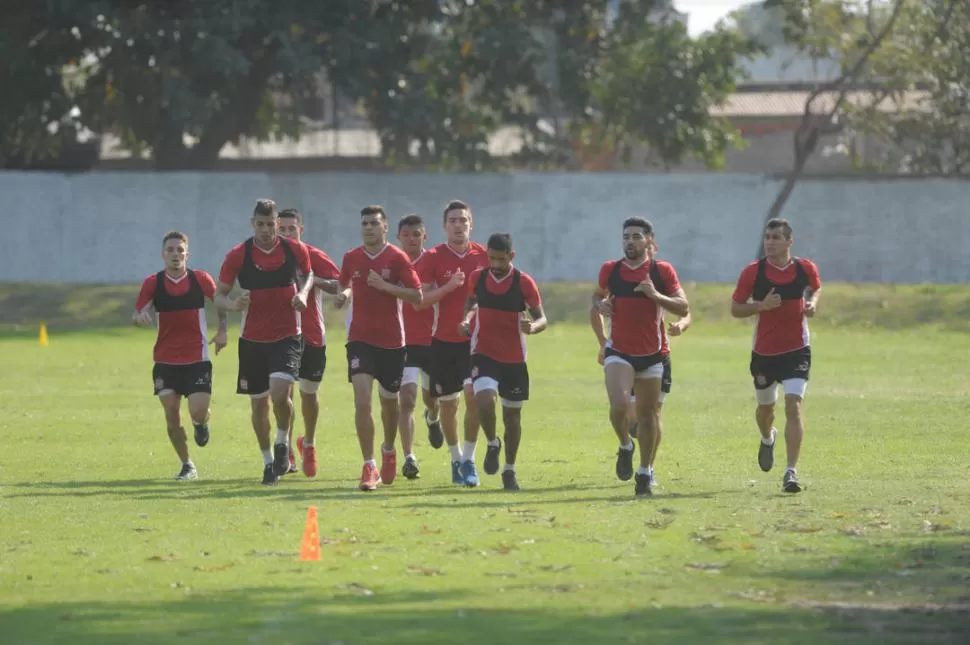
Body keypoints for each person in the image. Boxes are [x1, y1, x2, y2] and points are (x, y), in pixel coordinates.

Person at [215, 199, 314, 486]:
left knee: (280, 394)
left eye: (271, 225)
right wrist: (233, 305)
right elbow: (219, 294)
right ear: (252, 224)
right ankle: (268, 462)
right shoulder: (238, 254)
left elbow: (308, 275)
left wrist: (304, 294)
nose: (267, 230)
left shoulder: (293, 249)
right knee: (258, 406)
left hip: (286, 335)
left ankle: (282, 440)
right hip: (252, 340)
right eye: (261, 224)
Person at [592, 217, 690, 497]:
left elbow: (683, 306)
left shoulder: (662, 271)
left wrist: (655, 294)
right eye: (626, 236)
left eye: (636, 236)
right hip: (619, 351)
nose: (630, 241)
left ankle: (645, 472)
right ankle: (625, 445)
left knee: (648, 416)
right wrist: (601, 306)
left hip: (653, 354)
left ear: (649, 240)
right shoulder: (610, 270)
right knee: (620, 405)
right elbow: (596, 298)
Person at [334, 205, 423, 491]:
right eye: (365, 223)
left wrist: (386, 286)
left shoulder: (397, 258)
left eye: (374, 223)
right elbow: (344, 284)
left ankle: (388, 449)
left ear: (385, 228)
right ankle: (369, 464)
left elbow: (417, 295)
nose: (369, 228)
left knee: (388, 403)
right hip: (359, 340)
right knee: (362, 400)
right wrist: (343, 295)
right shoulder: (351, 257)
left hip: (392, 343)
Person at [731, 218, 821, 494]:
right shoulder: (753, 273)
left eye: (776, 237)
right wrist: (761, 305)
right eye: (767, 237)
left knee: (793, 406)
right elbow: (736, 308)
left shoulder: (805, 269)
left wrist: (812, 303)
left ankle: (791, 472)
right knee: (765, 411)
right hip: (764, 352)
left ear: (789, 242)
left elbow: (816, 288)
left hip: (797, 349)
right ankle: (767, 437)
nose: (769, 241)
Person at [133, 231, 228, 480]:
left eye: (180, 250)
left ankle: (201, 423)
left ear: (187, 254)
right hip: (165, 361)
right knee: (172, 414)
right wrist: (140, 316)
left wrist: (222, 331)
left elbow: (219, 301)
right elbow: (139, 309)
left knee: (197, 411)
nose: (175, 254)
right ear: (163, 254)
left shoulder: (200, 279)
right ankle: (187, 465)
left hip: (197, 359)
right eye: (171, 250)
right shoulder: (153, 283)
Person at [459, 233, 547, 491]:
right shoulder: (478, 277)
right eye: (491, 258)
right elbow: (470, 304)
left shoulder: (524, 283)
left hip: (514, 358)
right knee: (483, 400)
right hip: (483, 352)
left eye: (500, 259)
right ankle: (492, 442)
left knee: (512, 417)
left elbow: (542, 318)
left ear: (512, 256)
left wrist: (533, 327)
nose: (495, 264)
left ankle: (509, 469)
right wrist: (465, 320)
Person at [416, 199, 490, 487]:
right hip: (444, 341)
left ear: (471, 224)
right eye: (453, 220)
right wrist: (448, 288)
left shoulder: (485, 257)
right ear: (445, 226)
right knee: (449, 405)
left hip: (477, 343)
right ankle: (455, 459)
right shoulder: (433, 257)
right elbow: (420, 301)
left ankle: (469, 459)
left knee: (474, 398)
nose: (459, 225)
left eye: (464, 220)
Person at [277, 208, 342, 478]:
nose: (287, 234)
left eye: (292, 229)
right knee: (283, 394)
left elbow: (339, 284)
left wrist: (313, 280)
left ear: (301, 230)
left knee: (308, 394)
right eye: (283, 229)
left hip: (312, 333)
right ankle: (287, 450)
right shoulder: (269, 258)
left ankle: (310, 443)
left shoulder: (313, 255)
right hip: (280, 335)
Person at [395, 214, 450, 480]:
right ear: (398, 237)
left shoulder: (434, 263)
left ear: (424, 236)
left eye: (416, 234)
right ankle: (409, 457)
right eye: (406, 234)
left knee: (432, 397)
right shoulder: (393, 262)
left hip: (432, 341)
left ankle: (432, 415)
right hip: (403, 341)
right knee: (405, 399)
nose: (412, 239)